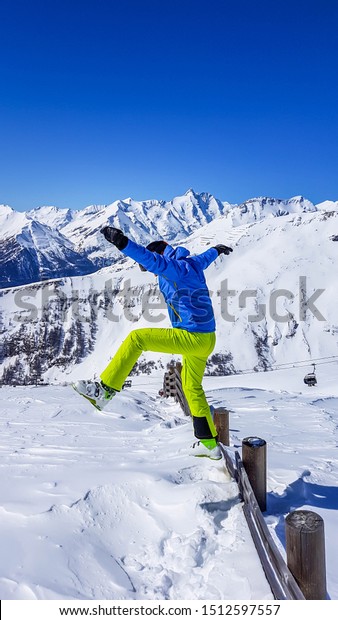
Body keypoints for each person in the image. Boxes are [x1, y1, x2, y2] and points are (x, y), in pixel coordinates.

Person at [73, 227, 233, 459]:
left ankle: (104, 391)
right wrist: (217, 250)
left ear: (161, 255)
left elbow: (151, 260)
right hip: (207, 338)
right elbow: (205, 258)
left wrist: (122, 242)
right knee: (191, 387)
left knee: (137, 339)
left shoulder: (174, 268)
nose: (150, 271)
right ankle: (209, 445)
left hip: (192, 336)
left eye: (149, 269)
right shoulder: (191, 263)